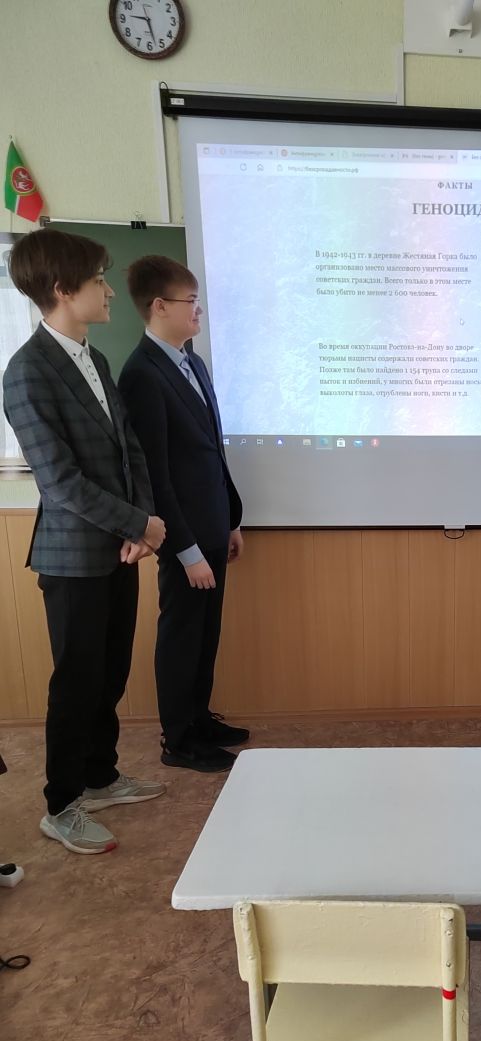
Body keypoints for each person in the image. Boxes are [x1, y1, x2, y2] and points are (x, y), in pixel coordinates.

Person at [2, 229, 166, 854]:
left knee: (111, 671)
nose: (109, 291)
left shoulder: (94, 360)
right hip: (73, 557)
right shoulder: (27, 372)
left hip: (121, 547)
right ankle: (61, 803)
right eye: (98, 280)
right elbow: (61, 481)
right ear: (63, 289)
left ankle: (100, 775)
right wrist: (136, 525)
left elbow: (129, 451)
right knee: (76, 682)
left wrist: (142, 522)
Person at [119, 256, 247, 773]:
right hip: (182, 536)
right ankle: (178, 738)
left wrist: (230, 519)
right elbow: (154, 474)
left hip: (213, 524)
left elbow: (211, 451)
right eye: (190, 301)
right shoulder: (142, 375)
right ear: (159, 306)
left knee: (205, 632)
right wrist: (187, 550)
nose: (198, 310)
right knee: (181, 634)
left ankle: (199, 719)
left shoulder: (192, 363)